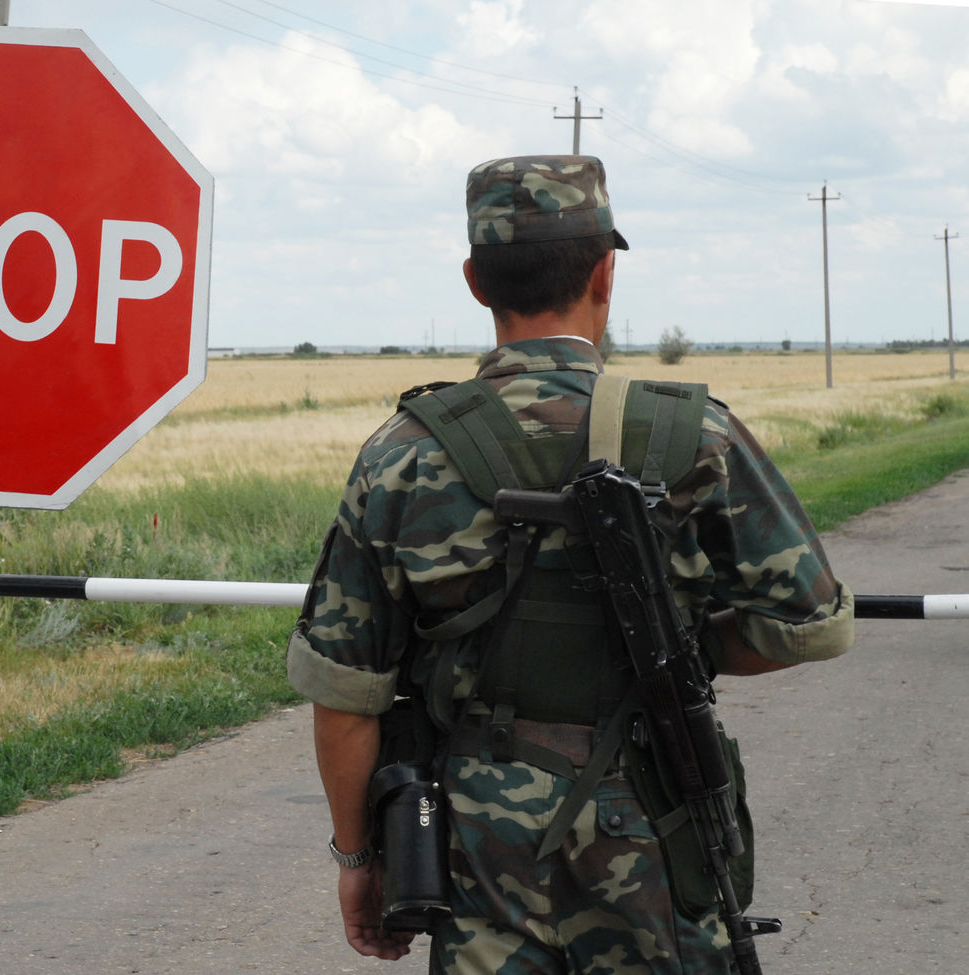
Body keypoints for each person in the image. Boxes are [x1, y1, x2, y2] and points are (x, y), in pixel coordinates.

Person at [286, 155, 855, 974]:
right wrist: (683, 648)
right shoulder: (696, 435)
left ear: (477, 282)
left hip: (478, 846)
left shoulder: (402, 455)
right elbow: (812, 623)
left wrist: (356, 860)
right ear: (605, 273)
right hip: (657, 826)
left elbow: (345, 695)